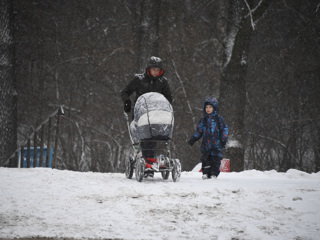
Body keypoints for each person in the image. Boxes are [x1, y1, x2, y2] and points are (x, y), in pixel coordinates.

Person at [121, 56, 173, 178]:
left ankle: (150, 161)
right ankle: (145, 160)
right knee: (143, 139)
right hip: (140, 113)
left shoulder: (163, 82)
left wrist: (166, 107)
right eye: (153, 69)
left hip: (156, 115)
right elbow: (125, 92)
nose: (155, 72)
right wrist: (127, 102)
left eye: (158, 70)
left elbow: (168, 98)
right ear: (148, 69)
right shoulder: (139, 80)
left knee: (153, 138)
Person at [188, 97, 228, 179]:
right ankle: (205, 173)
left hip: (216, 145)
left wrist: (223, 138)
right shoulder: (203, 120)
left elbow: (224, 129)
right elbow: (199, 131)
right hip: (206, 145)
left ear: (214, 108)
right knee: (205, 160)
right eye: (206, 107)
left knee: (216, 160)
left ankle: (214, 174)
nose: (208, 109)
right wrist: (194, 138)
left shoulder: (219, 119)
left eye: (210, 107)